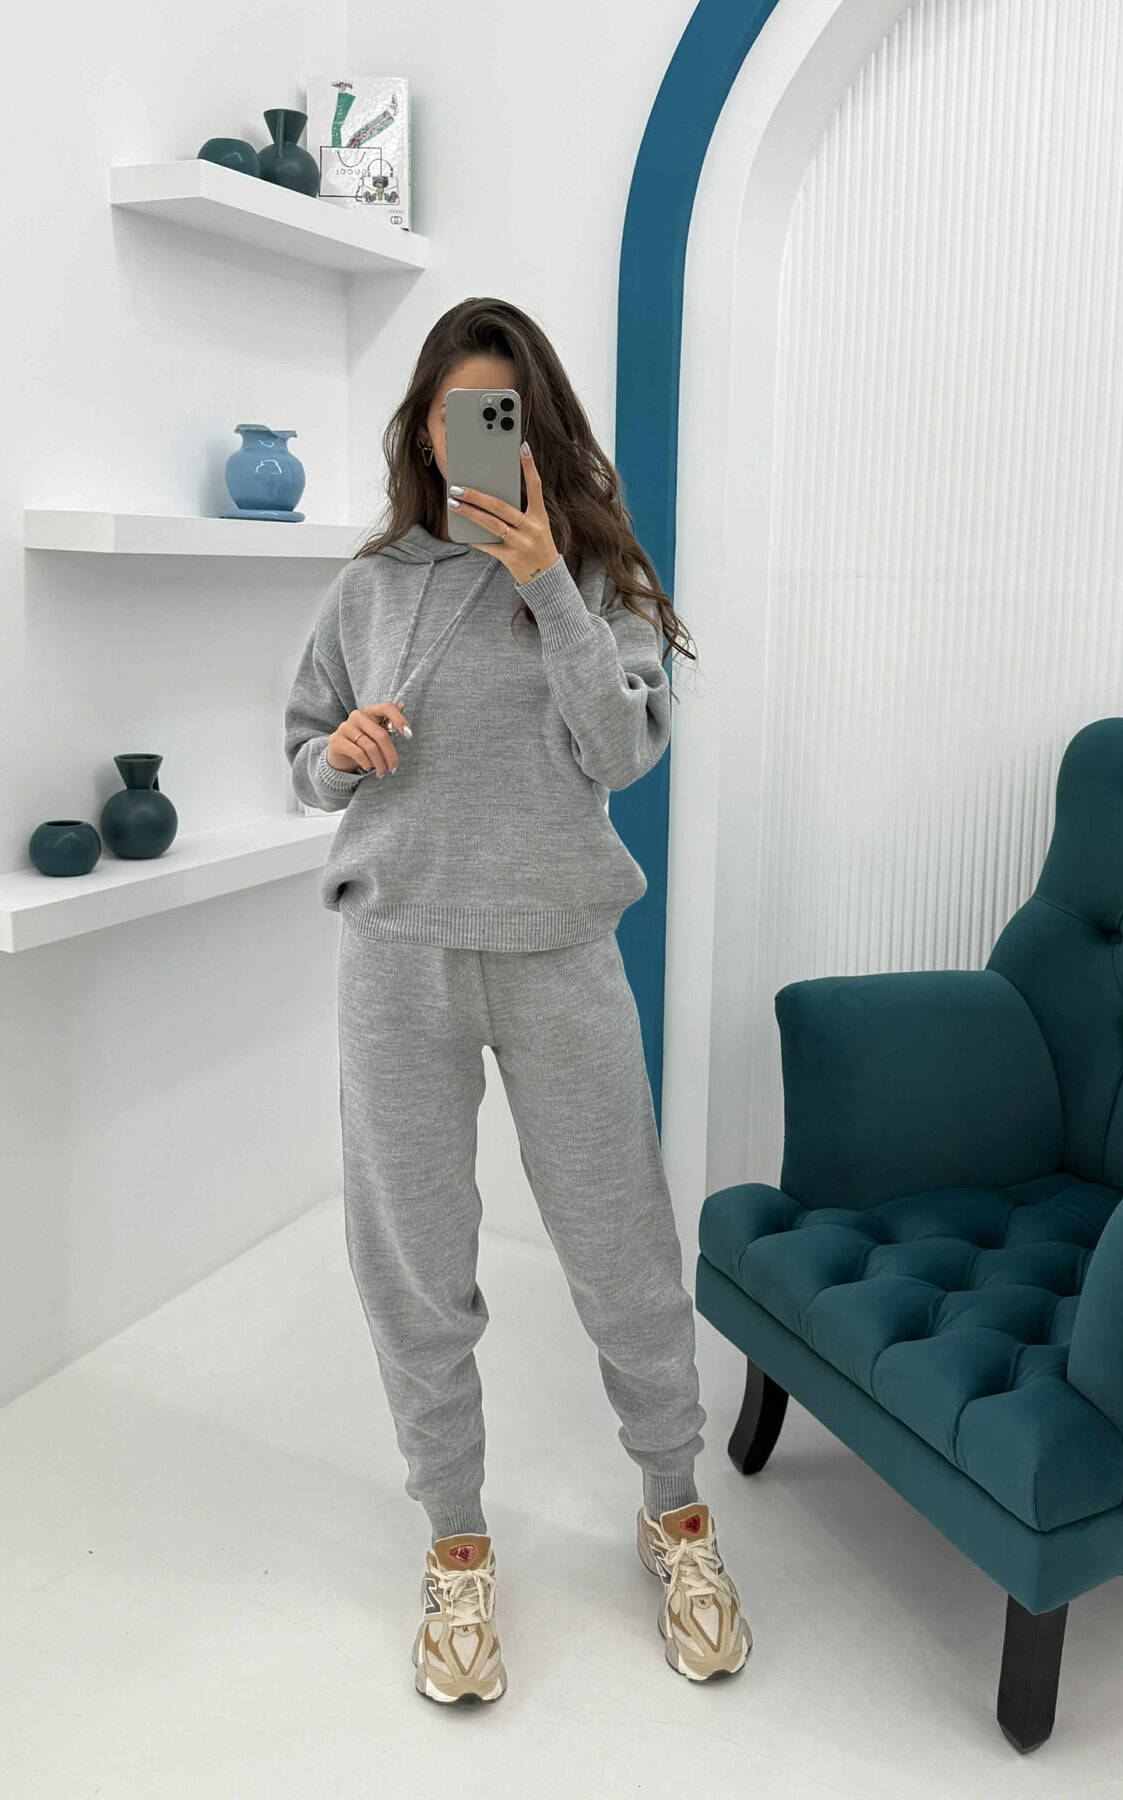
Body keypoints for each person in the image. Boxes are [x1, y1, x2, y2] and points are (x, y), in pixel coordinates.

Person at [283, 296, 752, 1705]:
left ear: (532, 429)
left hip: (557, 952)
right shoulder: (369, 589)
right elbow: (301, 755)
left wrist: (549, 584)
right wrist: (340, 753)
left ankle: (675, 1514)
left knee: (621, 1249)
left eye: (498, 414)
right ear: (424, 429)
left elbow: (619, 752)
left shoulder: (600, 578)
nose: (469, 438)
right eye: (451, 415)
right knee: (414, 1265)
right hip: (399, 956)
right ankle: (456, 1543)